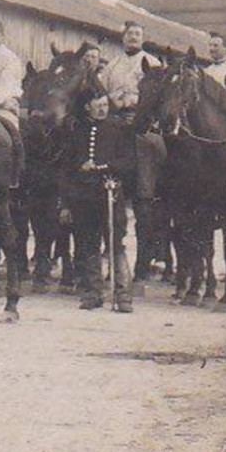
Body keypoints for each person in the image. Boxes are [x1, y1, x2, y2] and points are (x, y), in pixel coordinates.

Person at [58, 87, 135, 312]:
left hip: (110, 195)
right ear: (87, 107)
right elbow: (66, 168)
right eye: (97, 105)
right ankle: (93, 293)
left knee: (115, 244)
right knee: (88, 245)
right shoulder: (77, 130)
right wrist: (66, 202)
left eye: (105, 104)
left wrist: (103, 168)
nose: (102, 109)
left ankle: (123, 295)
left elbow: (129, 162)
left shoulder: (119, 128)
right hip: (83, 197)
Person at [100, 21, 163, 113]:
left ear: (143, 39)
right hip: (113, 112)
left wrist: (127, 102)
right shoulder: (112, 64)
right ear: (123, 38)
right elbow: (103, 90)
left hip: (140, 114)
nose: (133, 37)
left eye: (137, 34)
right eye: (129, 34)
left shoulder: (153, 63)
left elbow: (157, 95)